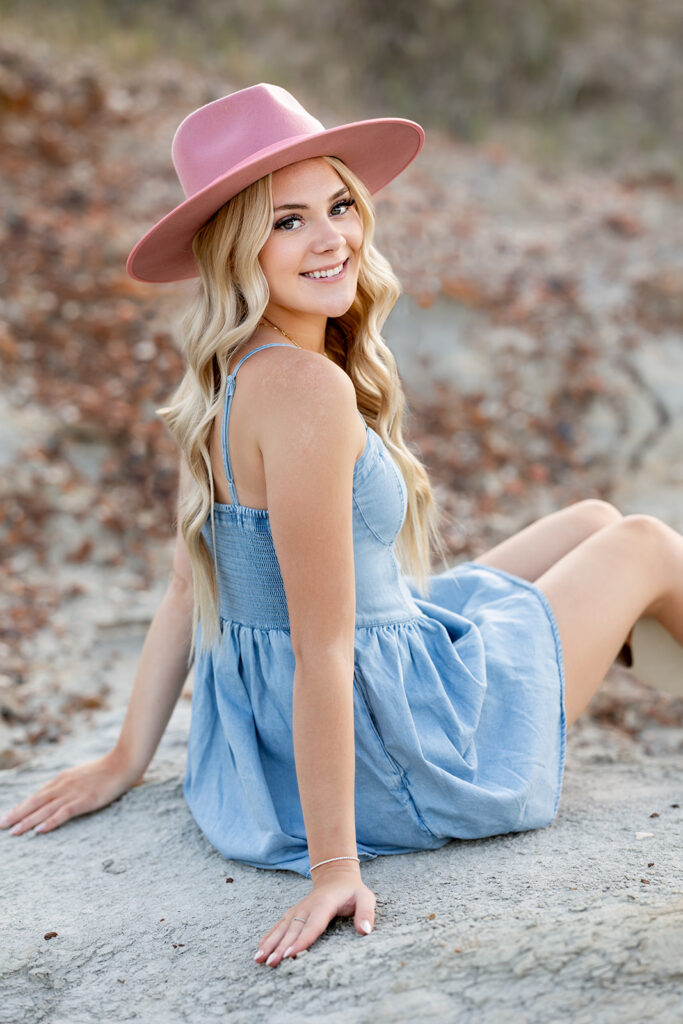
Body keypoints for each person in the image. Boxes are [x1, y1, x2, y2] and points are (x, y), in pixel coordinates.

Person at [3, 83, 683, 970]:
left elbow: (184, 584)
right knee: (645, 543)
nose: (331, 239)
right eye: (287, 222)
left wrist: (126, 758)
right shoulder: (306, 391)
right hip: (387, 739)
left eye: (337, 206)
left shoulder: (225, 375)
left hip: (273, 742)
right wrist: (334, 868)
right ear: (234, 248)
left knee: (591, 518)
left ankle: (622, 645)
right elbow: (324, 651)